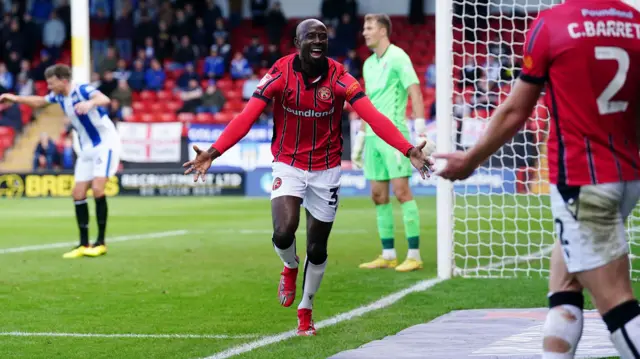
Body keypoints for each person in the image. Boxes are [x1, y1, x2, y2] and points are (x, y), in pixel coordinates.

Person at [183, 18, 433, 336]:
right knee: (283, 231)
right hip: (288, 164)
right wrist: (213, 152)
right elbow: (247, 116)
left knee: (317, 248)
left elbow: (373, 116)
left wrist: (408, 148)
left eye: (322, 37)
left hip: (326, 170)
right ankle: (289, 265)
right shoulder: (278, 73)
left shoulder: (340, 77)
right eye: (310, 37)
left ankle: (306, 309)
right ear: (296, 43)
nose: (317, 41)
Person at [435, 1, 640, 358]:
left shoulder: (551, 24)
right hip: (626, 175)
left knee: (616, 301)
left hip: (583, 182)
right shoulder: (635, 23)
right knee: (564, 284)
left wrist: (470, 159)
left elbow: (517, 109)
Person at [0, 64, 120, 259]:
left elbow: (103, 98)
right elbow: (40, 102)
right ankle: (84, 243)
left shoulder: (81, 90)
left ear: (63, 80)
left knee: (98, 189)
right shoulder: (58, 96)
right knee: (78, 193)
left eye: (51, 83)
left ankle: (101, 243)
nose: (49, 87)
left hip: (105, 144)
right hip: (86, 148)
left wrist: (90, 104)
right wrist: (15, 98)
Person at [352, 13, 434, 272]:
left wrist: (420, 129)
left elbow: (414, 91)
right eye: (364, 28)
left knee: (401, 192)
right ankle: (388, 254)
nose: (365, 32)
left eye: (369, 28)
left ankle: (414, 254)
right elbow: (366, 105)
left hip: (395, 137)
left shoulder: (399, 57)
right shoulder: (367, 64)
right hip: (374, 140)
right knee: (378, 196)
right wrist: (362, 139)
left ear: (383, 31)